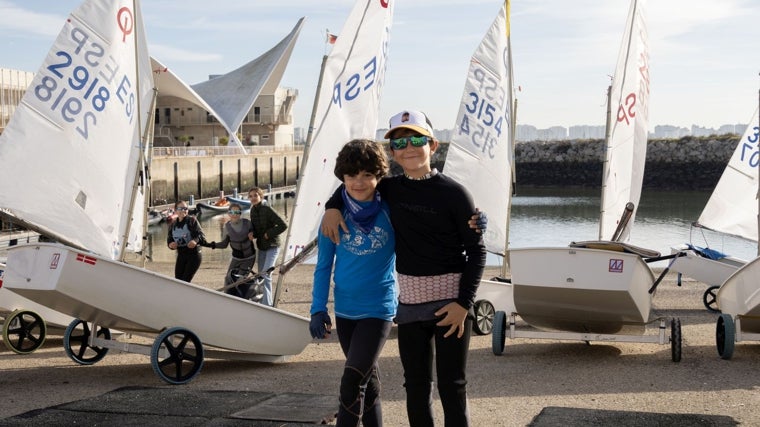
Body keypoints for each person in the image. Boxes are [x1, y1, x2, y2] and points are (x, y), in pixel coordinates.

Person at [322, 110, 486, 427]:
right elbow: (354, 183)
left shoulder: (454, 193)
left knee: (453, 386)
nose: (409, 147)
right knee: (416, 388)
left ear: (433, 145)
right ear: (393, 152)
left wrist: (464, 303)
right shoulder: (389, 188)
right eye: (400, 142)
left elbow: (476, 251)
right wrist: (332, 206)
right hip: (409, 304)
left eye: (416, 140)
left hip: (451, 303)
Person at [310, 139, 397, 427]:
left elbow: (431, 224)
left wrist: (471, 220)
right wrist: (317, 309)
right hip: (345, 311)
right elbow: (323, 267)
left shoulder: (391, 212)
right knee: (367, 381)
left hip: (379, 309)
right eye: (351, 175)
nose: (359, 183)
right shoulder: (333, 218)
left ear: (379, 176)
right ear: (342, 177)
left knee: (351, 382)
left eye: (367, 175)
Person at [204, 203, 257, 299]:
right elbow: (224, 245)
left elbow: (255, 233)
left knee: (240, 279)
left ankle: (241, 299)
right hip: (236, 258)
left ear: (240, 213)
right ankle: (227, 298)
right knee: (228, 279)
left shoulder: (247, 223)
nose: (234, 214)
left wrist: (253, 233)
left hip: (249, 257)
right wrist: (210, 244)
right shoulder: (227, 227)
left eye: (237, 212)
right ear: (228, 213)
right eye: (232, 212)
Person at [248, 186, 288, 306]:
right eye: (251, 196)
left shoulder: (267, 209)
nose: (253, 198)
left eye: (255, 195)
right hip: (262, 247)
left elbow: (283, 225)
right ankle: (262, 302)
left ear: (261, 196)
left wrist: (268, 234)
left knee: (266, 274)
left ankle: (268, 305)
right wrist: (252, 234)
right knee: (261, 276)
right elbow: (256, 230)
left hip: (273, 245)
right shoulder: (252, 211)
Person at [167, 200, 205, 283]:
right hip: (181, 255)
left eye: (185, 208)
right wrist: (171, 245)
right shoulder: (173, 224)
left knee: (185, 281)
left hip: (194, 255)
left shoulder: (192, 221)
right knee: (178, 281)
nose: (183, 211)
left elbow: (202, 236)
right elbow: (169, 239)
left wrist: (195, 241)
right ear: (176, 210)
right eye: (181, 208)